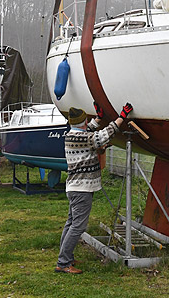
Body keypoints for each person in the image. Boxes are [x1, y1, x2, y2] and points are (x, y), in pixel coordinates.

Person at [55, 101, 133, 274]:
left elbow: (88, 129)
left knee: (71, 224)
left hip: (74, 188)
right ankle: (63, 263)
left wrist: (98, 119)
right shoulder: (84, 138)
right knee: (78, 227)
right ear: (82, 123)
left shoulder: (71, 135)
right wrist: (121, 117)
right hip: (82, 190)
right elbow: (104, 135)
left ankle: (66, 257)